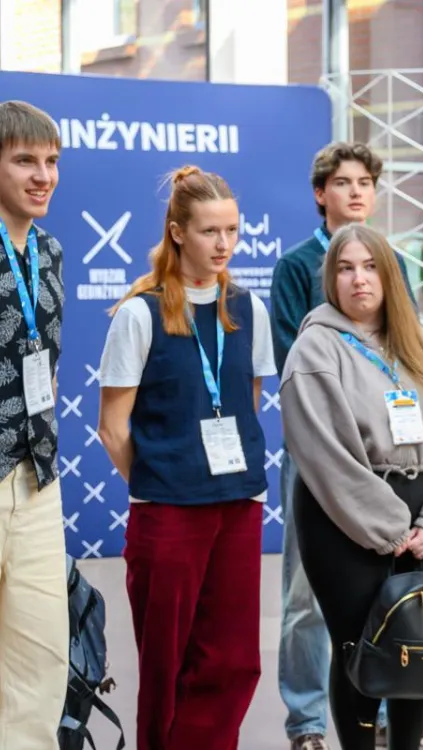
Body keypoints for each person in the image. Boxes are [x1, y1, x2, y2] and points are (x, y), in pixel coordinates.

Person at [97, 166, 275, 749]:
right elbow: (112, 426)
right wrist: (160, 479)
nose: (223, 244)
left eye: (232, 231)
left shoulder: (249, 309)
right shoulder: (139, 314)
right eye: (209, 231)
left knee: (233, 662)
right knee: (166, 667)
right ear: (177, 232)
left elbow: (245, 403)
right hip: (168, 512)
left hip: (238, 506)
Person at [280, 223, 423, 750]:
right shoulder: (315, 350)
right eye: (345, 268)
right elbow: (326, 458)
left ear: (389, 274)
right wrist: (391, 529)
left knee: (422, 645)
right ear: (331, 279)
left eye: (369, 267)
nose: (358, 279)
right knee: (361, 653)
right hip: (345, 519)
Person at [270, 141, 423, 750]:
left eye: (366, 181)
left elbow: (409, 356)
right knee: (308, 598)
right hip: (325, 462)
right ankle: (308, 721)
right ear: (321, 193)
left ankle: (387, 706)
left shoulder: (396, 263)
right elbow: (301, 364)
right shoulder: (295, 267)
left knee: (392, 593)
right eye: (343, 182)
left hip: (395, 463)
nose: (357, 191)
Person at [0, 99, 68, 750]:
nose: (42, 175)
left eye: (50, 162)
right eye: (24, 160)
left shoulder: (50, 252)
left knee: (41, 661)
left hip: (38, 477)